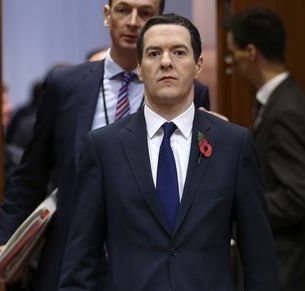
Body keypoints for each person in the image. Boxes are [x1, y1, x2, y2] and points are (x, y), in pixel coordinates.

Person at [0, 1, 210, 291]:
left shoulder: (189, 91)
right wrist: (4, 235)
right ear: (107, 15)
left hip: (150, 263)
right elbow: (32, 172)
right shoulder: (64, 85)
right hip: (72, 257)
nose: (132, 22)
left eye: (145, 13)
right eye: (123, 10)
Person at [59, 13, 279, 291]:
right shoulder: (104, 147)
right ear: (139, 68)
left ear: (198, 65)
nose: (166, 62)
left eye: (178, 52)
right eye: (153, 53)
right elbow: (81, 261)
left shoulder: (233, 144)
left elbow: (259, 258)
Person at [227, 8, 305, 291]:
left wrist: (240, 208)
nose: (232, 64)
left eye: (233, 54)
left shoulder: (286, 109)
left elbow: (298, 196)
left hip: (289, 266)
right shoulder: (275, 101)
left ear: (252, 52)